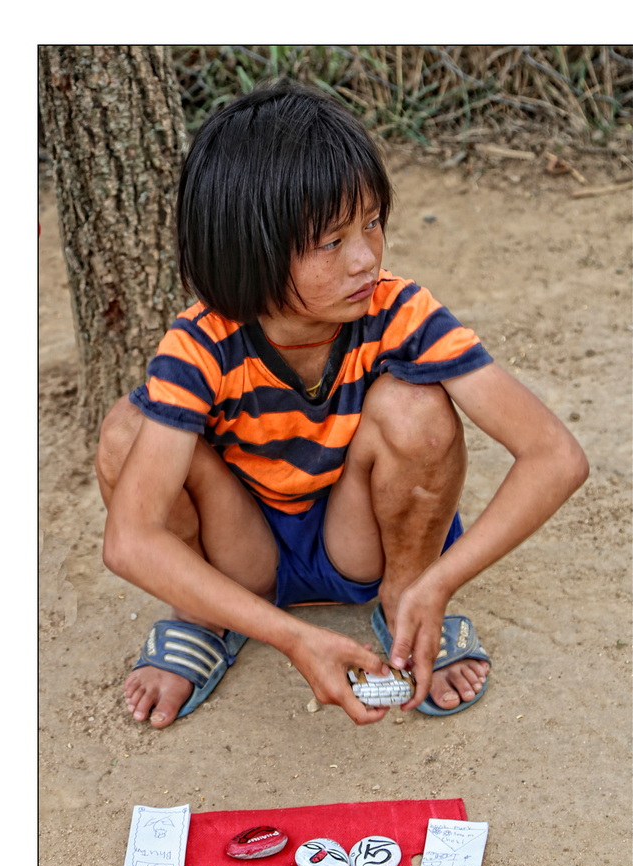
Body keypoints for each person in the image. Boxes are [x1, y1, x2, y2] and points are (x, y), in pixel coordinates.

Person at [95, 79, 588, 730]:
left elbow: (556, 457)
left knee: (417, 409)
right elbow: (130, 540)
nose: (366, 258)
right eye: (332, 242)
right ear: (252, 250)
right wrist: (293, 638)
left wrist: (438, 581)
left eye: (373, 223)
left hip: (359, 538)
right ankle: (207, 618)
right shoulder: (200, 343)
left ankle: (405, 600)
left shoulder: (400, 311)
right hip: (241, 550)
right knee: (129, 432)